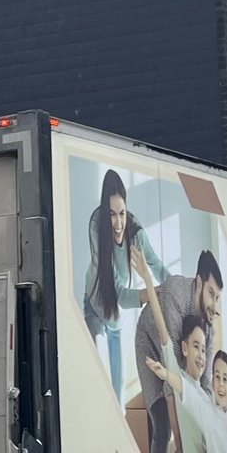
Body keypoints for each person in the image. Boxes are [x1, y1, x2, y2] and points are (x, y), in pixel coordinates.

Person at [135, 250, 226, 453]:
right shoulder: (175, 293)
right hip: (151, 342)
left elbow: (204, 388)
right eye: (210, 294)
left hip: (176, 352)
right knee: (163, 425)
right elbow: (172, 373)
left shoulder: (208, 326)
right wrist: (184, 449)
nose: (213, 305)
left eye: (217, 297)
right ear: (198, 283)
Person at [82, 169, 169, 397]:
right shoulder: (95, 226)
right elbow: (118, 291)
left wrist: (174, 288)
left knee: (117, 393)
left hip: (113, 316)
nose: (118, 223)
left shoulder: (135, 231)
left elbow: (156, 264)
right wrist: (149, 293)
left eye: (122, 213)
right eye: (111, 214)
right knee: (97, 379)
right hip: (94, 303)